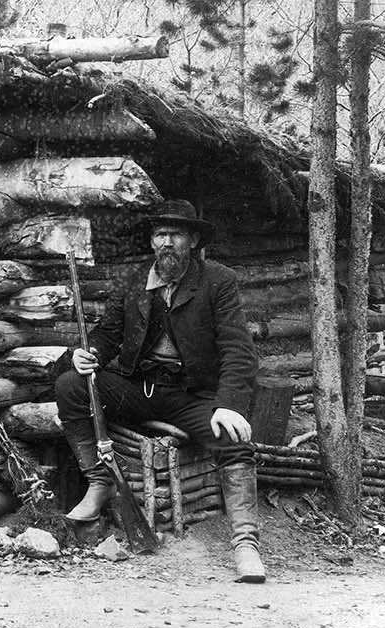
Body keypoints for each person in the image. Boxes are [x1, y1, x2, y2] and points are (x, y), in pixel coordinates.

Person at [55, 198, 266, 583]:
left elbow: (239, 349)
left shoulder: (218, 282)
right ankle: (100, 483)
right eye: (159, 234)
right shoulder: (135, 280)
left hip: (192, 397)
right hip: (140, 390)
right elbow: (109, 333)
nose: (166, 242)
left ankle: (245, 544)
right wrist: (91, 354)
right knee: (72, 386)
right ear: (152, 242)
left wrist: (230, 404)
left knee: (234, 439)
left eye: (176, 234)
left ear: (193, 241)